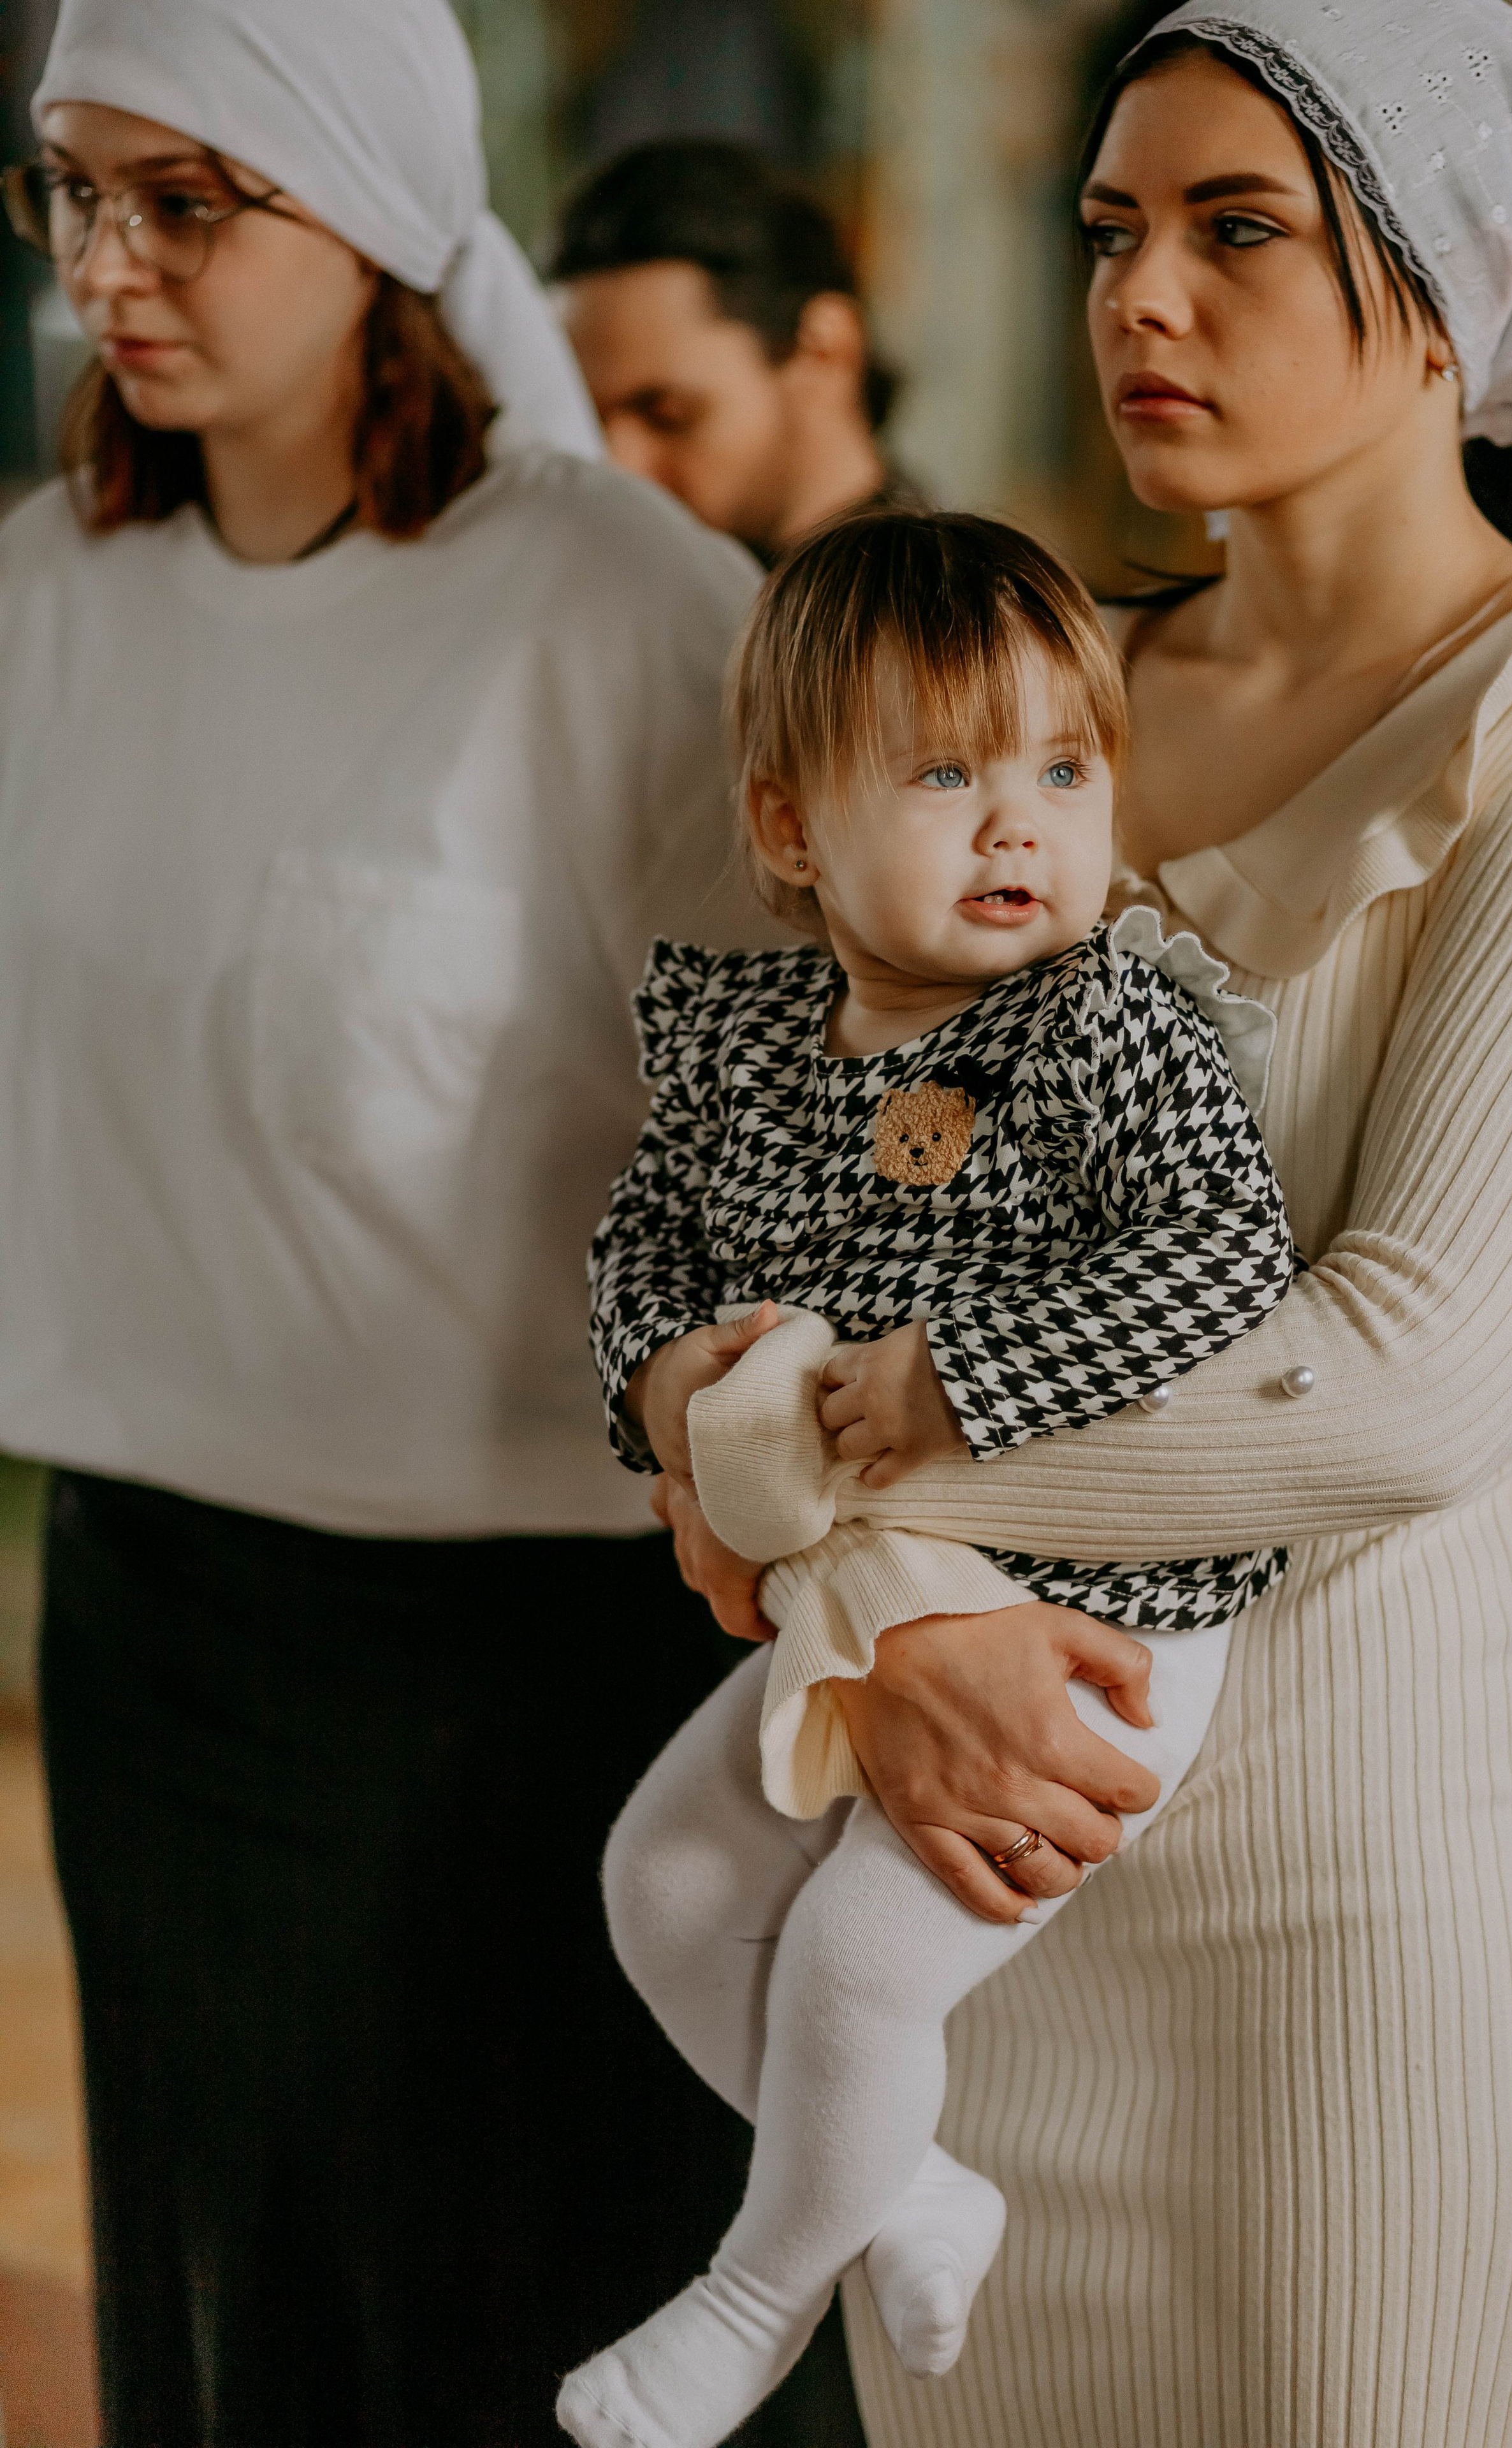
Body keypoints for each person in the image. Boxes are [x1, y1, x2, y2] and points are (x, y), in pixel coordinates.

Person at [651, 5, 1512, 2444]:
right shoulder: (1018, 700)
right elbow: (756, 1211)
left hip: (1359, 1942)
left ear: (1448, 282)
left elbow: (1407, 1362)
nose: (1135, 299)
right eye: (1106, 230)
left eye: (1231, 230)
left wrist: (816, 1533)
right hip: (965, 1910)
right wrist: (742, 1467)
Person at [0, 0, 797, 2439]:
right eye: (72, 194)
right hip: (162, 1621)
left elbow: (768, 1149)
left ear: (364, 219)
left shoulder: (622, 608)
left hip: (547, 1657)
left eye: (185, 200)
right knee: (232, 2328)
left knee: (538, 2318)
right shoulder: (44, 595)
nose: (106, 268)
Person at [556, 507, 1295, 2448]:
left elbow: (1228, 1248)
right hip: (857, 1588)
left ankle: (755, 2287)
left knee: (864, 1953)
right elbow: (639, 1241)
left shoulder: (1104, 1019)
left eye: (1063, 767)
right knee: (663, 1879)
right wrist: (660, 1381)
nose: (1016, 826)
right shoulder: (751, 1053)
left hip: (1089, 1592)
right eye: (946, 773)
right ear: (790, 825)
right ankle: (900, 2183)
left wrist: (962, 1370)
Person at [551, 140, 912, 562]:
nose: (616, 468)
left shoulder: (958, 618)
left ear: (823, 351)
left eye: (669, 415)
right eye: (590, 422)